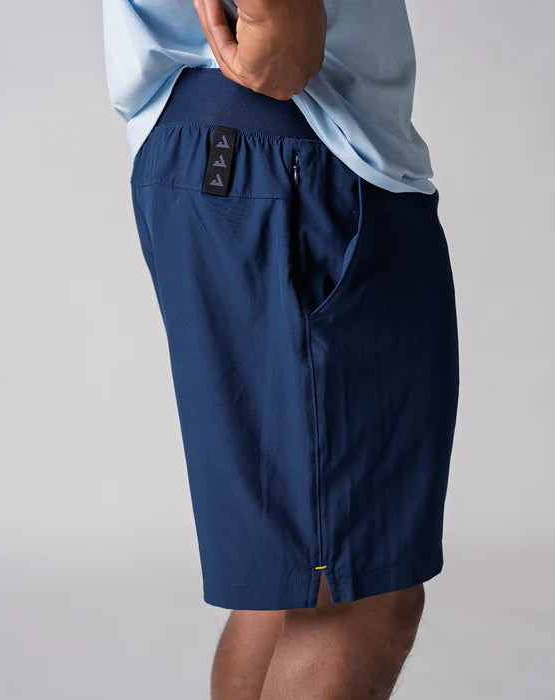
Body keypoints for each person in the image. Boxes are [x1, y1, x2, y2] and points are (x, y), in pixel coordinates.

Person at [102, 0, 459, 697]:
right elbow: (281, 50)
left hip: (225, 146)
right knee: (355, 589)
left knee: (294, 578)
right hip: (301, 147)